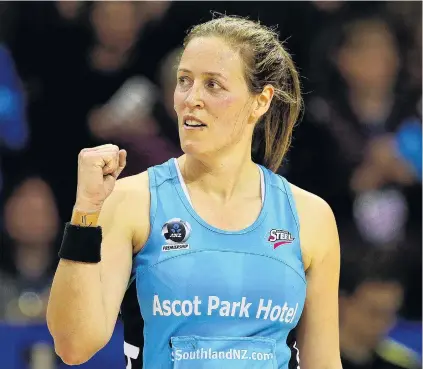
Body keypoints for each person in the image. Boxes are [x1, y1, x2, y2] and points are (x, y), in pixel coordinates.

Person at [47, 15, 342, 369]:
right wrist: (85, 213)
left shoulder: (311, 216)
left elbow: (323, 362)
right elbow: (74, 345)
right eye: (184, 81)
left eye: (213, 85)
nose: (191, 99)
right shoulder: (131, 201)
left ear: (260, 101)